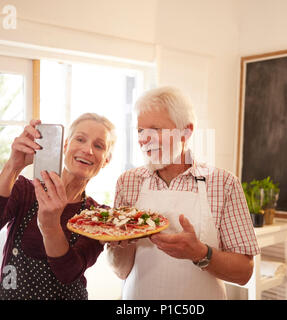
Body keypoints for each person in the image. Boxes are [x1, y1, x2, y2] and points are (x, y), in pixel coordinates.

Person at [106, 86, 260, 300]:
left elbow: (244, 272)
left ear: (186, 131)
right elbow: (121, 271)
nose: (143, 140)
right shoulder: (128, 182)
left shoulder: (224, 183)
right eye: (140, 131)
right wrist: (117, 245)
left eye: (155, 129)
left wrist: (200, 253)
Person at [0, 113, 116, 300]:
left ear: (106, 160)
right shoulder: (25, 190)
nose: (88, 150)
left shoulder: (99, 216)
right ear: (65, 145)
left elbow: (68, 273)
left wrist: (50, 225)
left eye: (98, 145)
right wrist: (13, 165)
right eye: (80, 139)